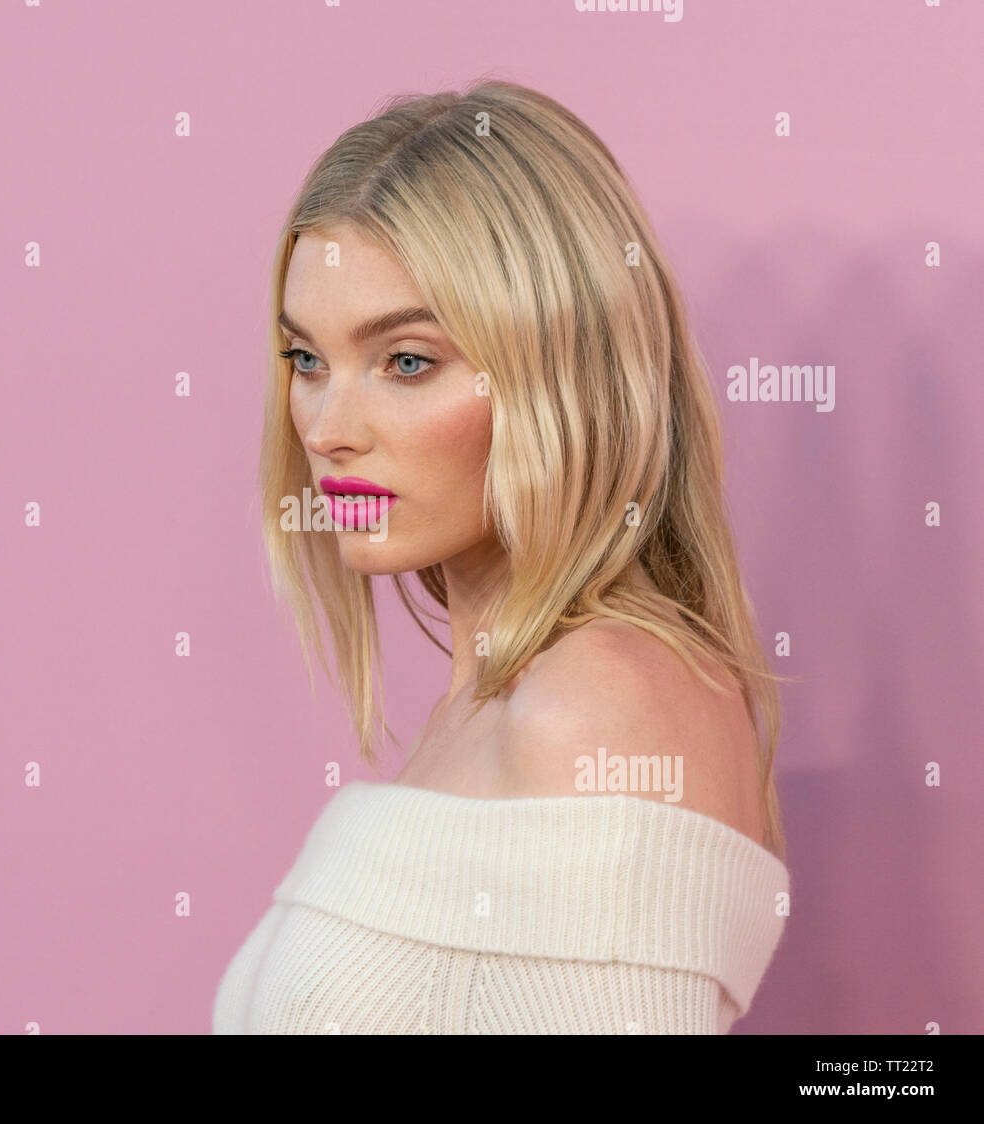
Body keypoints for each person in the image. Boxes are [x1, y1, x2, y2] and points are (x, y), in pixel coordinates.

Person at [214, 78, 790, 1035]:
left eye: (406, 361)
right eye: (306, 361)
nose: (327, 430)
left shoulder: (597, 701)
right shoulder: (494, 697)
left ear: (560, 371)